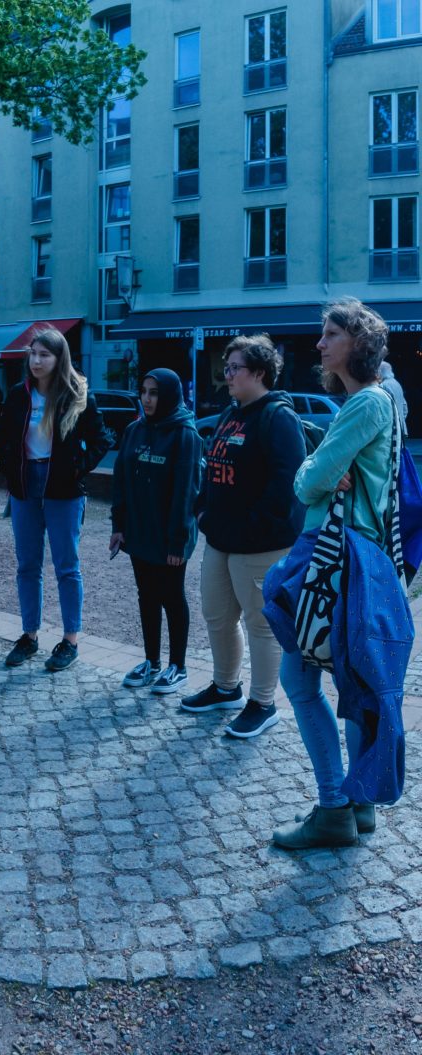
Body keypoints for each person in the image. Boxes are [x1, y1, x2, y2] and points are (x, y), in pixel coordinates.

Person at [271, 299, 404, 850]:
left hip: (336, 557)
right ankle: (358, 804)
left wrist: (316, 468)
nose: (320, 344)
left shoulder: (364, 404)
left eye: (331, 335)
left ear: (358, 343)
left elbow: (307, 483)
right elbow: (327, 474)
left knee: (300, 680)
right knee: (350, 679)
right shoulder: (378, 399)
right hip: (357, 556)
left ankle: (333, 809)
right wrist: (326, 469)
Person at [181, 335, 305, 737]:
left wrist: (250, 526)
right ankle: (225, 687)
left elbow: (286, 486)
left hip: (261, 544)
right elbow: (210, 466)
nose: (227, 374)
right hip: (220, 538)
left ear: (260, 373)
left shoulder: (277, 417)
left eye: (235, 367)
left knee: (260, 623)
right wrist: (202, 510)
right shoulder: (230, 414)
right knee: (217, 616)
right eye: (227, 367)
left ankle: (263, 703)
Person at [0, 329, 109, 672]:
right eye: (33, 354)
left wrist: (77, 469)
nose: (37, 360)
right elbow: (1, 439)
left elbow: (102, 438)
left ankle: (70, 640)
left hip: (63, 490)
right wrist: (10, 471)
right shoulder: (18, 395)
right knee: (27, 564)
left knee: (66, 566)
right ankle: (29, 636)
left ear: (60, 359)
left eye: (44, 354)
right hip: (26, 487)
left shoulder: (77, 395)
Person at [108, 368, 202, 697]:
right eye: (144, 392)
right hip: (139, 532)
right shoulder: (134, 430)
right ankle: (151, 661)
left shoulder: (185, 435)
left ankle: (179, 665)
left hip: (170, 537)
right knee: (146, 596)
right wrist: (118, 526)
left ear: (170, 395)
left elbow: (186, 494)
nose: (147, 399)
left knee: (172, 598)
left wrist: (178, 540)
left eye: (154, 393)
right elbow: (120, 481)